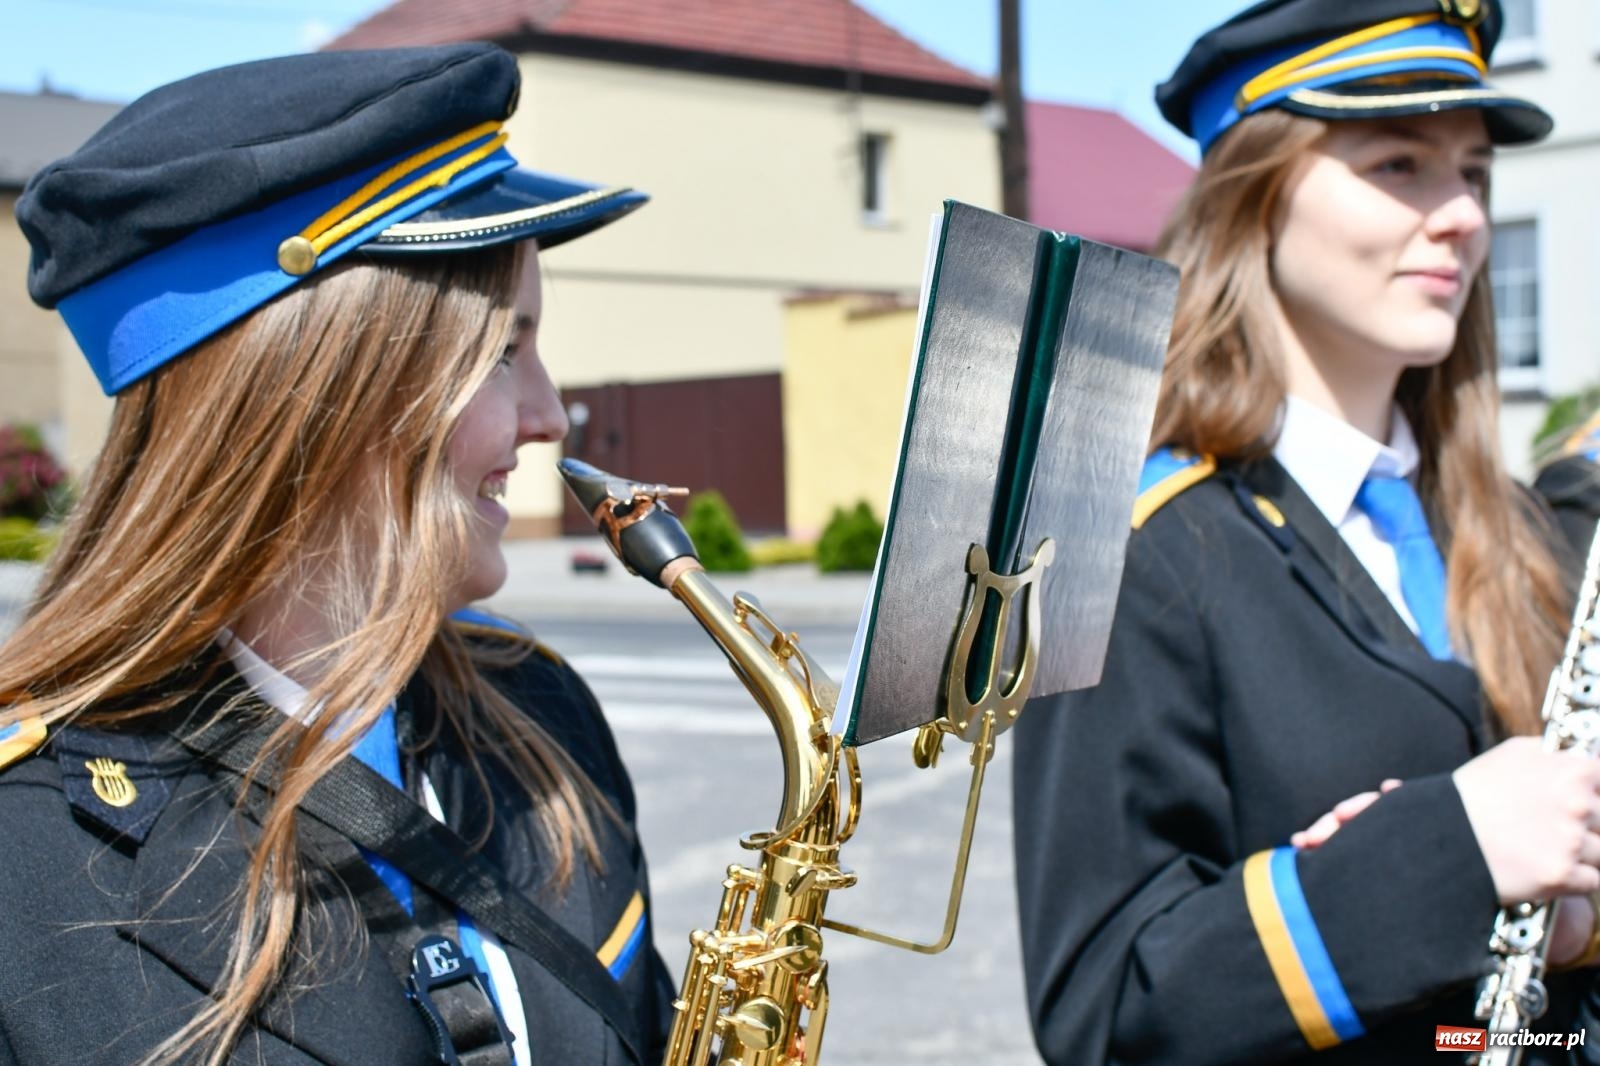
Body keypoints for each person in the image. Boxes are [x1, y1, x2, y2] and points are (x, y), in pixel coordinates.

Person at [0, 44, 674, 1066]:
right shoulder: (27, 846)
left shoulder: (548, 714)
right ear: (320, 390)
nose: (547, 414)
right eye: (501, 351)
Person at [1012, 2, 1600, 1063]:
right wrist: (1447, 854)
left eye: (1470, 171)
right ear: (1258, 195)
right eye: (1399, 162)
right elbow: (1102, 1011)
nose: (1463, 213)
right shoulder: (1135, 554)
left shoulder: (1509, 530)